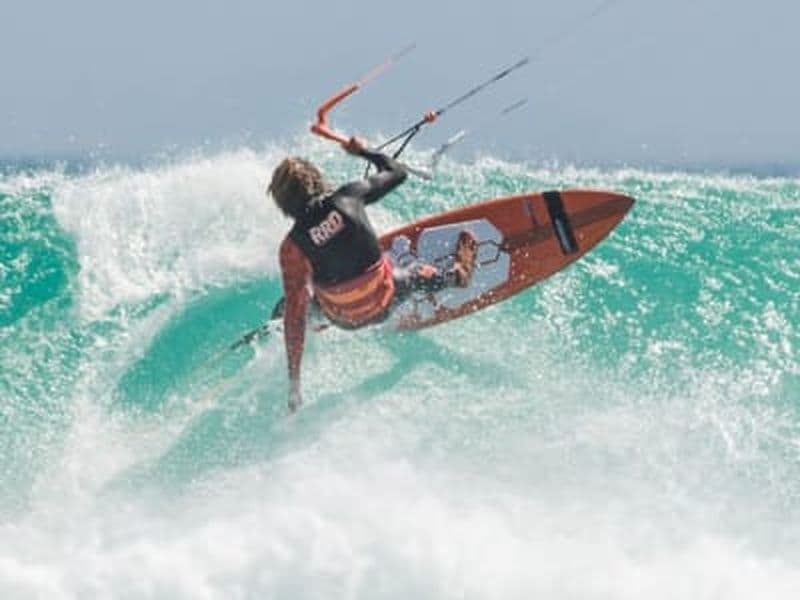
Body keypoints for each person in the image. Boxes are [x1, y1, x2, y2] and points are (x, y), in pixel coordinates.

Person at [268, 137, 477, 412]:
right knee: (415, 275)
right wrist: (363, 151)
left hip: (342, 318)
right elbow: (397, 173)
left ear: (283, 204)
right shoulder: (347, 197)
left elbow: (295, 313)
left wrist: (294, 382)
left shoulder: (291, 248)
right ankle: (458, 274)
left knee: (286, 307)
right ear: (315, 181)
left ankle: (317, 324)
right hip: (383, 303)